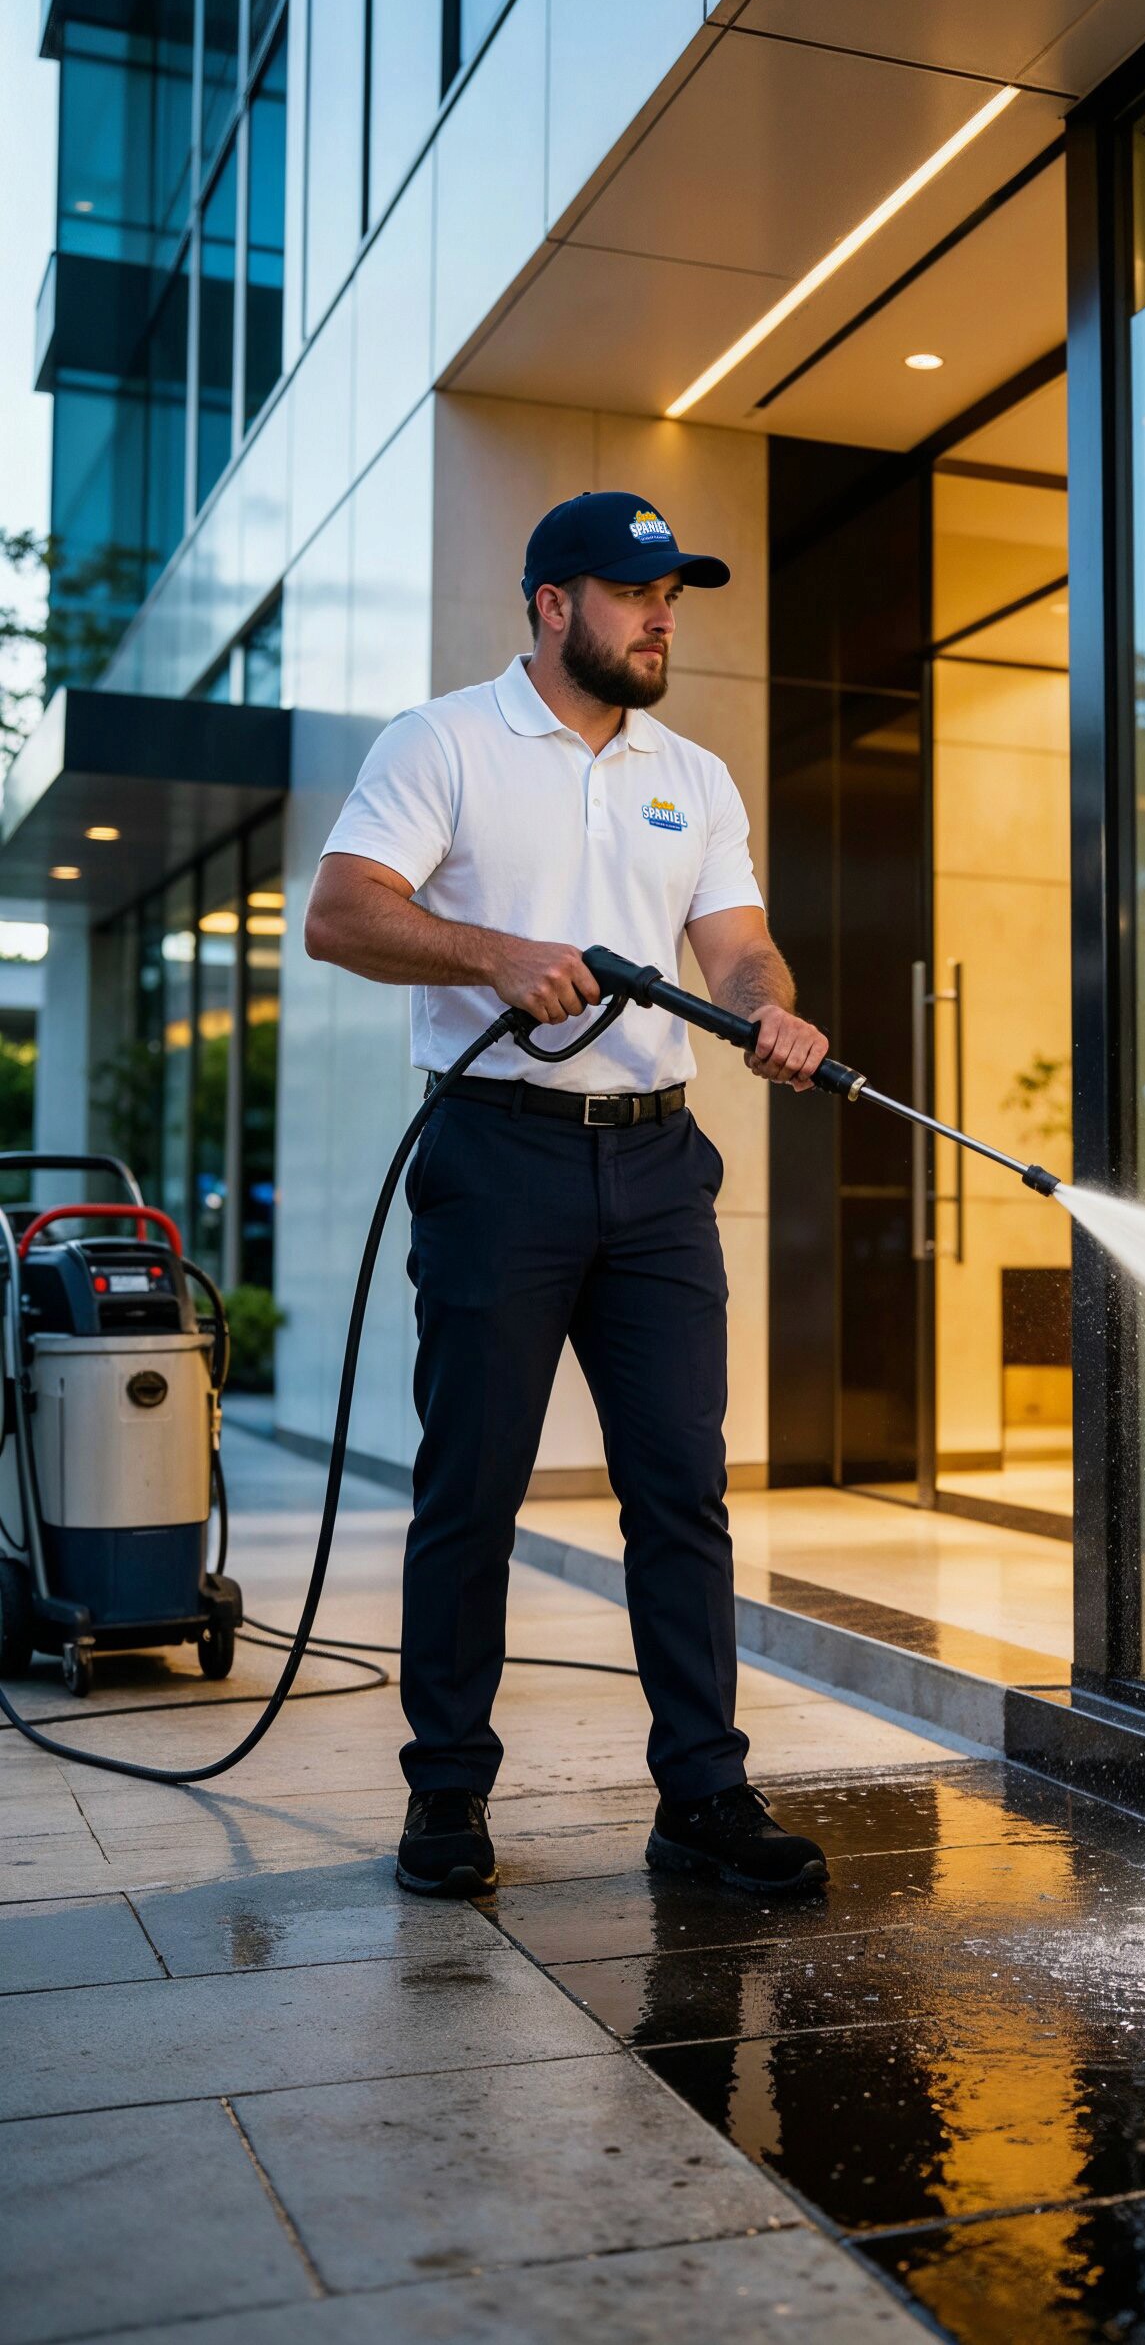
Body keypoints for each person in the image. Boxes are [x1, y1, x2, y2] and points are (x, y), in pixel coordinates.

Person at [304, 491, 832, 1899]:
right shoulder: (445, 742)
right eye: (635, 591)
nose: (665, 615)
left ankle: (703, 1796)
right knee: (471, 1488)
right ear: (552, 604)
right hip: (499, 1157)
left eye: (675, 594)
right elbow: (342, 910)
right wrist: (494, 954)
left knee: (681, 1491)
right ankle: (447, 1799)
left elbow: (739, 948)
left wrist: (771, 1013)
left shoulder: (693, 774)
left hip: (661, 1166)